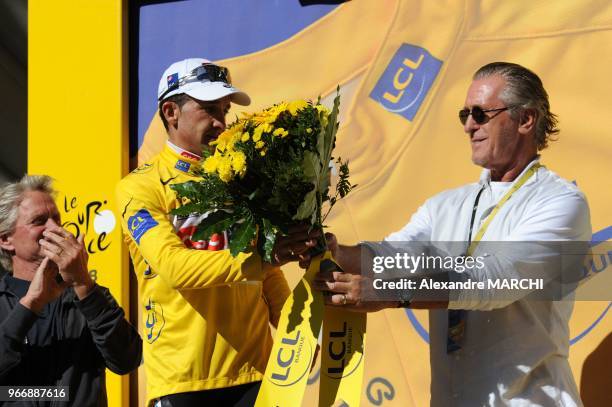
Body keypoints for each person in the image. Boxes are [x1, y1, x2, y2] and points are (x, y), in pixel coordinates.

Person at [317, 62, 591, 406]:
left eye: (480, 113)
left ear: (526, 120)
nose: (469, 126)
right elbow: (392, 258)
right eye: (464, 114)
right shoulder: (445, 205)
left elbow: (498, 280)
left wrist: (388, 293)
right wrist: (330, 250)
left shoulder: (561, 201)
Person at [116, 58, 319, 407]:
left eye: (223, 110)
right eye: (208, 109)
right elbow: (175, 267)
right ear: (170, 112)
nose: (220, 123)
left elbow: (267, 275)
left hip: (257, 371)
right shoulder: (139, 188)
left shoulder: (240, 177)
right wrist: (259, 257)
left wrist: (293, 331)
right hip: (184, 380)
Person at [0, 175, 142, 406]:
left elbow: (127, 360)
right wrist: (30, 306)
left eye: (57, 218)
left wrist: (83, 284)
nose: (55, 228)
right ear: (6, 239)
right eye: (39, 221)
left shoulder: (87, 294)